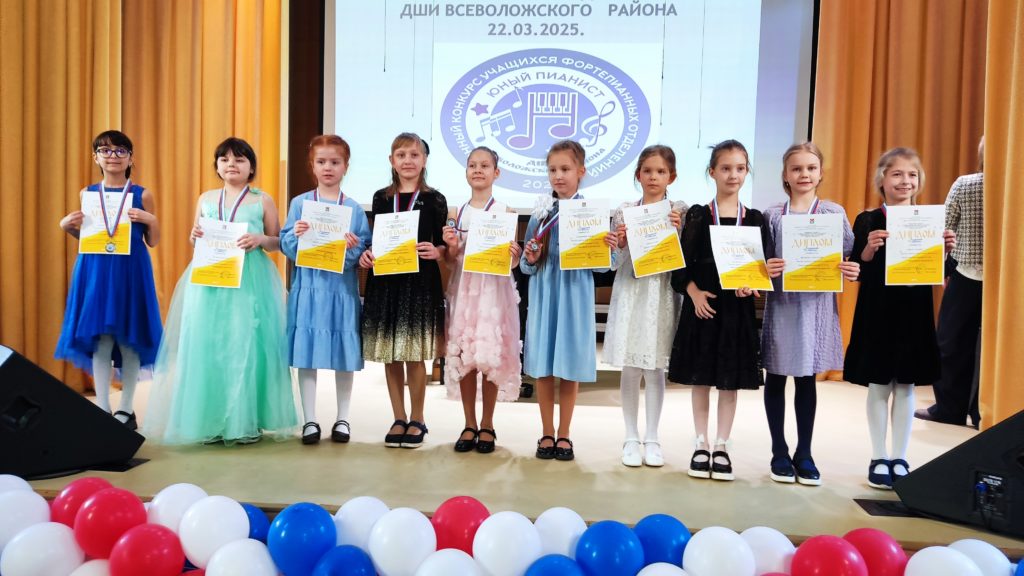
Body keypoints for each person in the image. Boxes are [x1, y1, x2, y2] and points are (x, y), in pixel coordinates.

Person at [144, 137, 299, 445]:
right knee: (209, 344)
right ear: (216, 166)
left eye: (239, 159)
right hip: (209, 278)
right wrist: (194, 235)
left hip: (249, 279)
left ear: (251, 167)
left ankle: (246, 420)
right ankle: (210, 420)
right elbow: (196, 238)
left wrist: (259, 239)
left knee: (247, 344)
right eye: (225, 159)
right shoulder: (206, 198)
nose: (232, 164)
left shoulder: (262, 200)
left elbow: (278, 241)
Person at [668, 139, 784, 481]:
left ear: (747, 172)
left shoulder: (756, 218)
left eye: (740, 168)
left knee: (729, 381)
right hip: (703, 307)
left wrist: (752, 285)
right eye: (725, 168)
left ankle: (721, 444)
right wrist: (694, 294)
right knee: (701, 379)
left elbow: (761, 268)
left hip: (737, 311)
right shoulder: (698, 215)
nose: (733, 175)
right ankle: (700, 442)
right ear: (712, 172)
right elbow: (681, 266)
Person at [844, 147, 956, 489]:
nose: (905, 181)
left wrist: (945, 251)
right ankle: (878, 456)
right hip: (878, 311)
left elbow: (942, 272)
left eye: (912, 174)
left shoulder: (929, 220)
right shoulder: (868, 220)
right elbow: (856, 269)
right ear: (882, 179)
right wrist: (869, 248)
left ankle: (900, 456)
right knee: (879, 384)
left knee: (906, 385)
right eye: (896, 174)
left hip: (915, 311)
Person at [761, 142, 859, 485]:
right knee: (776, 376)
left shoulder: (833, 213)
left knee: (806, 378)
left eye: (811, 168)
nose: (804, 174)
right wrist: (766, 267)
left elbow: (848, 254)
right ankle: (778, 450)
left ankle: (804, 453)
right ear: (785, 175)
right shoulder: (773, 215)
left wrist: (851, 268)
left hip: (816, 306)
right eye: (797, 168)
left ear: (820, 173)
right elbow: (761, 260)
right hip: (783, 305)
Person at [55, 130, 163, 430]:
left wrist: (151, 220)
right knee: (100, 338)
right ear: (96, 157)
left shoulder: (142, 194)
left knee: (129, 338)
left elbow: (153, 241)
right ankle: (102, 406)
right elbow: (88, 238)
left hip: (130, 270)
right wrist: (68, 227)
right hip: (96, 271)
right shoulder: (87, 193)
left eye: (120, 151)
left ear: (130, 158)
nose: (113, 156)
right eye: (105, 151)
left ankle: (126, 409)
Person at [521, 139, 617, 461]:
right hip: (545, 293)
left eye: (565, 169)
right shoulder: (540, 213)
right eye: (552, 170)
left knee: (570, 364)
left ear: (581, 171)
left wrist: (608, 247)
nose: (558, 176)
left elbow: (604, 266)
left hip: (575, 294)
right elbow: (525, 265)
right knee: (544, 365)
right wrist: (531, 257)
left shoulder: (593, 213)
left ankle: (564, 433)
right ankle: (546, 432)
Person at [280, 135, 371, 444]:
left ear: (346, 166)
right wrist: (295, 234)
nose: (328, 167)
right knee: (307, 352)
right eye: (321, 162)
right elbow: (286, 245)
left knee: (343, 351)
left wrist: (354, 247)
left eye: (335, 162)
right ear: (312, 166)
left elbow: (363, 251)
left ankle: (343, 418)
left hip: (340, 290)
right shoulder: (300, 204)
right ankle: (310, 420)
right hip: (308, 288)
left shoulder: (354, 209)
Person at [359, 132, 447, 449]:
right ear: (391, 160)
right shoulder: (381, 198)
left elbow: (443, 244)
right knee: (390, 354)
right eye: (401, 155)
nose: (407, 161)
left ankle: (418, 418)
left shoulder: (435, 199)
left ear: (424, 160)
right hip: (386, 280)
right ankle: (398, 417)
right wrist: (367, 254)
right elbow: (376, 240)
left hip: (420, 282)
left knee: (414, 353)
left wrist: (438, 251)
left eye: (414, 155)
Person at [604, 145, 686, 468]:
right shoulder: (625, 211)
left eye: (661, 172)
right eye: (647, 171)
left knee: (654, 367)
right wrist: (620, 243)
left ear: (671, 177)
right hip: (631, 290)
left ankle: (652, 437)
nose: (653, 177)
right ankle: (630, 436)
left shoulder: (679, 211)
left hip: (661, 292)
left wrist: (679, 232)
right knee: (630, 364)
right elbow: (613, 262)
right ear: (638, 175)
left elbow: (685, 258)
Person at [441, 146, 523, 454]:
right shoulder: (456, 213)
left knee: (489, 354)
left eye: (485, 165)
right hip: (464, 290)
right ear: (466, 172)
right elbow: (451, 260)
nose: (478, 170)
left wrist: (514, 255)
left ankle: (487, 423)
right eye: (472, 165)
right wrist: (451, 246)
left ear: (496, 173)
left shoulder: (506, 211)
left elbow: (511, 263)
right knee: (465, 355)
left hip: (493, 292)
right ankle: (469, 423)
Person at [915, 136, 985, 429]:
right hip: (1005, 280)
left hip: (965, 274)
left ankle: (949, 408)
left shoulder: (965, 184)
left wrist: (943, 270)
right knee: (994, 348)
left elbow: (943, 229)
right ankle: (985, 412)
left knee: (952, 343)